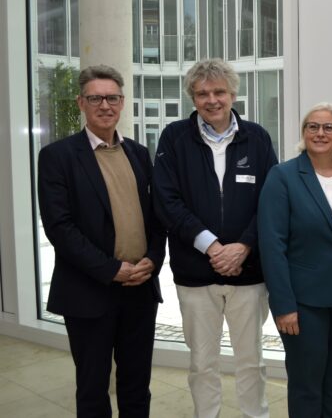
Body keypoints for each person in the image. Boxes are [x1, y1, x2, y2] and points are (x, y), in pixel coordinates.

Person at [37, 64, 165, 417]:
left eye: (112, 98)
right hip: (89, 291)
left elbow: (156, 217)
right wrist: (111, 270)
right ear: (81, 102)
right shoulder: (57, 156)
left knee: (137, 384)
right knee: (93, 388)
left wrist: (153, 259)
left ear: (122, 102)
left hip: (140, 287)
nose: (105, 105)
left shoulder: (138, 153)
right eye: (96, 98)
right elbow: (59, 227)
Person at [152, 58, 277, 418]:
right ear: (192, 97)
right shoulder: (174, 137)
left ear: (233, 94)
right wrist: (211, 245)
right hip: (196, 272)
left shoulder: (257, 137)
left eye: (219, 91)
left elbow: (270, 200)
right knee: (202, 363)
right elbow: (166, 200)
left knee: (251, 361)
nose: (212, 100)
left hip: (248, 271)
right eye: (202, 93)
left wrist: (244, 246)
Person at [258, 103, 332, 417]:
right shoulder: (283, 176)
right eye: (313, 126)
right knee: (306, 384)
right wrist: (283, 305)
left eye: (328, 127)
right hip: (302, 304)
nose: (320, 133)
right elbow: (272, 246)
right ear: (303, 132)